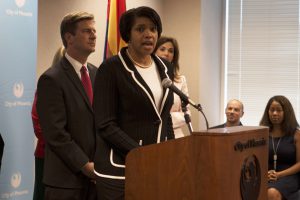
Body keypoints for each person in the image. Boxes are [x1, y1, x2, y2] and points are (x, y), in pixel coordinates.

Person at [93, 6, 174, 200]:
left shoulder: (165, 67)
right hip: (119, 170)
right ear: (127, 35)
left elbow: (163, 115)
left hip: (156, 166)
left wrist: (172, 151)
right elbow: (105, 124)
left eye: (153, 29)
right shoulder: (111, 68)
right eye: (140, 29)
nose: (148, 34)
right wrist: (141, 154)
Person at [36, 11, 97, 200]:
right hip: (66, 182)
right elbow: (55, 134)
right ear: (69, 38)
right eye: (87, 31)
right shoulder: (51, 78)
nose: (94, 35)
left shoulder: (96, 73)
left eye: (94, 30)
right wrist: (84, 165)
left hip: (96, 178)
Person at [31, 46, 65, 200]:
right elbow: (38, 123)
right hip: (47, 155)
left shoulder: (84, 83)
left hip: (75, 158)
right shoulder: (48, 81)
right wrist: (61, 144)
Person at [260, 95, 300, 200]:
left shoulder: (296, 134)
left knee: (272, 193)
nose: (274, 113)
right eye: (272, 110)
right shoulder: (262, 133)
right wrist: (265, 173)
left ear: (286, 112)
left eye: (279, 110)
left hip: (289, 175)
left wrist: (279, 174)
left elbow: (299, 163)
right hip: (267, 175)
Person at [154, 36, 191, 138]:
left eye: (171, 51)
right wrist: (173, 114)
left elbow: (186, 114)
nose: (166, 53)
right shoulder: (147, 78)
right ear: (153, 51)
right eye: (162, 49)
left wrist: (163, 119)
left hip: (176, 136)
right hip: (153, 136)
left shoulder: (180, 80)